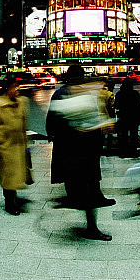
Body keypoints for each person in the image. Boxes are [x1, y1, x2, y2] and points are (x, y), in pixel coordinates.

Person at [47, 64, 115, 241]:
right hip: (80, 150)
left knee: (84, 185)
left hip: (76, 149)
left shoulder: (63, 94)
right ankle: (91, 226)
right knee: (86, 187)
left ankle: (85, 207)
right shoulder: (74, 94)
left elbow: (52, 122)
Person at [0, 75, 31, 216]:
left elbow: (24, 123)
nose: (18, 89)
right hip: (6, 148)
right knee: (8, 177)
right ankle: (9, 203)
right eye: (14, 86)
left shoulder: (21, 102)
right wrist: (0, 142)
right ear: (7, 89)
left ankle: (13, 198)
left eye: (18, 85)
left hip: (20, 145)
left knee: (17, 175)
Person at [114, 77, 140, 157]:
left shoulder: (119, 94)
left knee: (123, 135)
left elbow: (116, 105)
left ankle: (123, 152)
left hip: (123, 117)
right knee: (133, 135)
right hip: (133, 117)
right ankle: (133, 152)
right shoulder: (135, 94)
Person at [97, 79, 116, 153]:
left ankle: (99, 149)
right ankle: (108, 149)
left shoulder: (98, 93)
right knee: (109, 135)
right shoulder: (110, 94)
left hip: (99, 116)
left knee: (100, 135)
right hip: (107, 116)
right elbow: (111, 106)